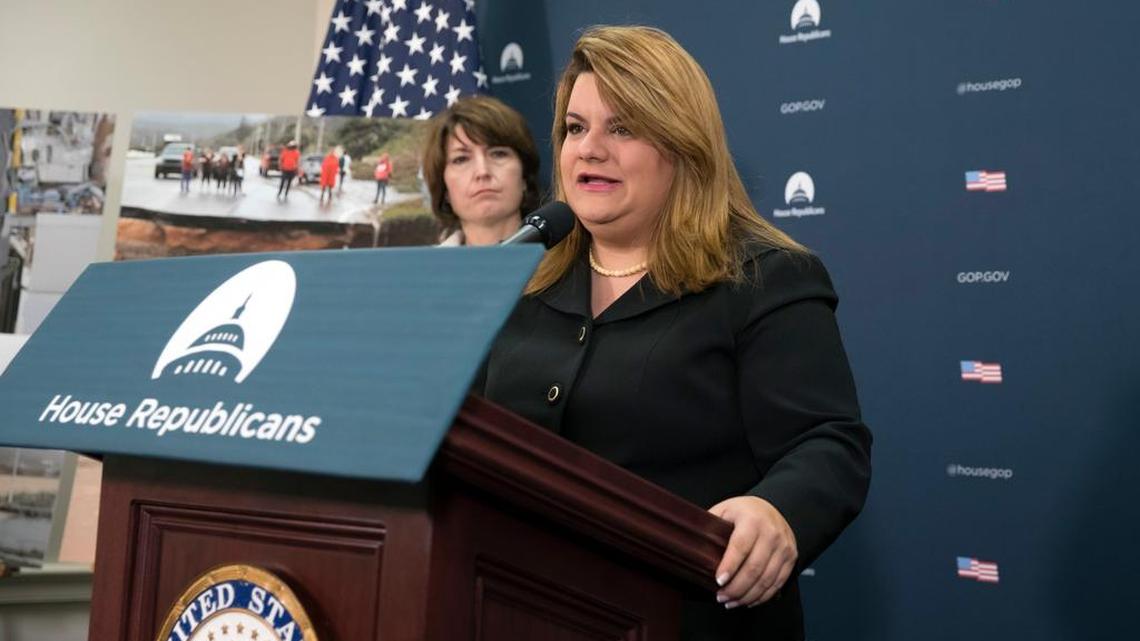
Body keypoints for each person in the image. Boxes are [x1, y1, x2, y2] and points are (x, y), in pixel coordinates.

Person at [475, 26, 871, 640]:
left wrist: (777, 510)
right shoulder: (521, 284)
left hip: (687, 618)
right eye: (575, 128)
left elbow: (828, 443)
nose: (589, 150)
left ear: (683, 144)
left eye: (622, 128)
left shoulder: (764, 279)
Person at [421, 95, 540, 246]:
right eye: (461, 159)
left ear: (524, 176)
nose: (482, 172)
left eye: (498, 154)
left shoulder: (565, 259)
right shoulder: (427, 262)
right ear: (444, 190)